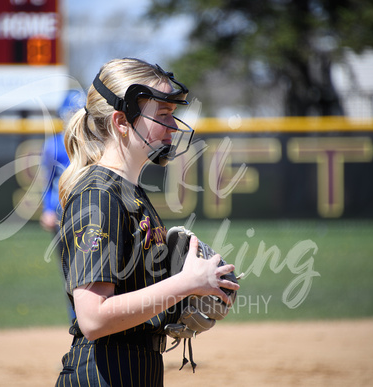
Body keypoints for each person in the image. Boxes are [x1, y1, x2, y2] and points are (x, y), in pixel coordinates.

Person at [55, 58, 239, 387]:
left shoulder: (130, 193)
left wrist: (173, 301)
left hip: (134, 370)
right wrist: (187, 283)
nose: (173, 125)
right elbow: (93, 317)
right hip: (104, 374)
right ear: (122, 121)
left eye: (173, 114)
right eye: (163, 115)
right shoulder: (98, 196)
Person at [40, 89, 85, 322]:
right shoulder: (54, 145)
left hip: (90, 216)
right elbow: (47, 184)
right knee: (71, 276)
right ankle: (79, 331)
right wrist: (47, 210)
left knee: (94, 275)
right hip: (61, 217)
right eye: (71, 114)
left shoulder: (94, 143)